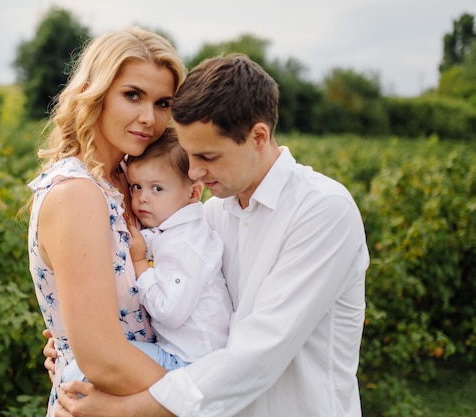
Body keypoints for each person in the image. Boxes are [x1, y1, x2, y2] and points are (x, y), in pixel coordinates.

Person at [52, 53, 370, 417]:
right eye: (188, 156)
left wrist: (124, 409)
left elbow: (260, 353)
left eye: (208, 156)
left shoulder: (322, 211)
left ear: (258, 137)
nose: (196, 174)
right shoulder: (211, 213)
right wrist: (82, 348)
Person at [26, 26, 186, 417]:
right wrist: (201, 403)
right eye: (132, 95)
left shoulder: (136, 183)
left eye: (163, 103)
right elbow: (100, 357)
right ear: (95, 93)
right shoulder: (77, 193)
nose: (149, 118)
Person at [62, 129, 233, 383]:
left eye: (157, 188)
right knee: (84, 366)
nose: (142, 198)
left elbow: (169, 311)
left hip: (191, 363)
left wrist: (141, 262)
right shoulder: (171, 230)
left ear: (194, 193)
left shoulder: (185, 243)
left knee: (79, 373)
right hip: (185, 357)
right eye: (137, 186)